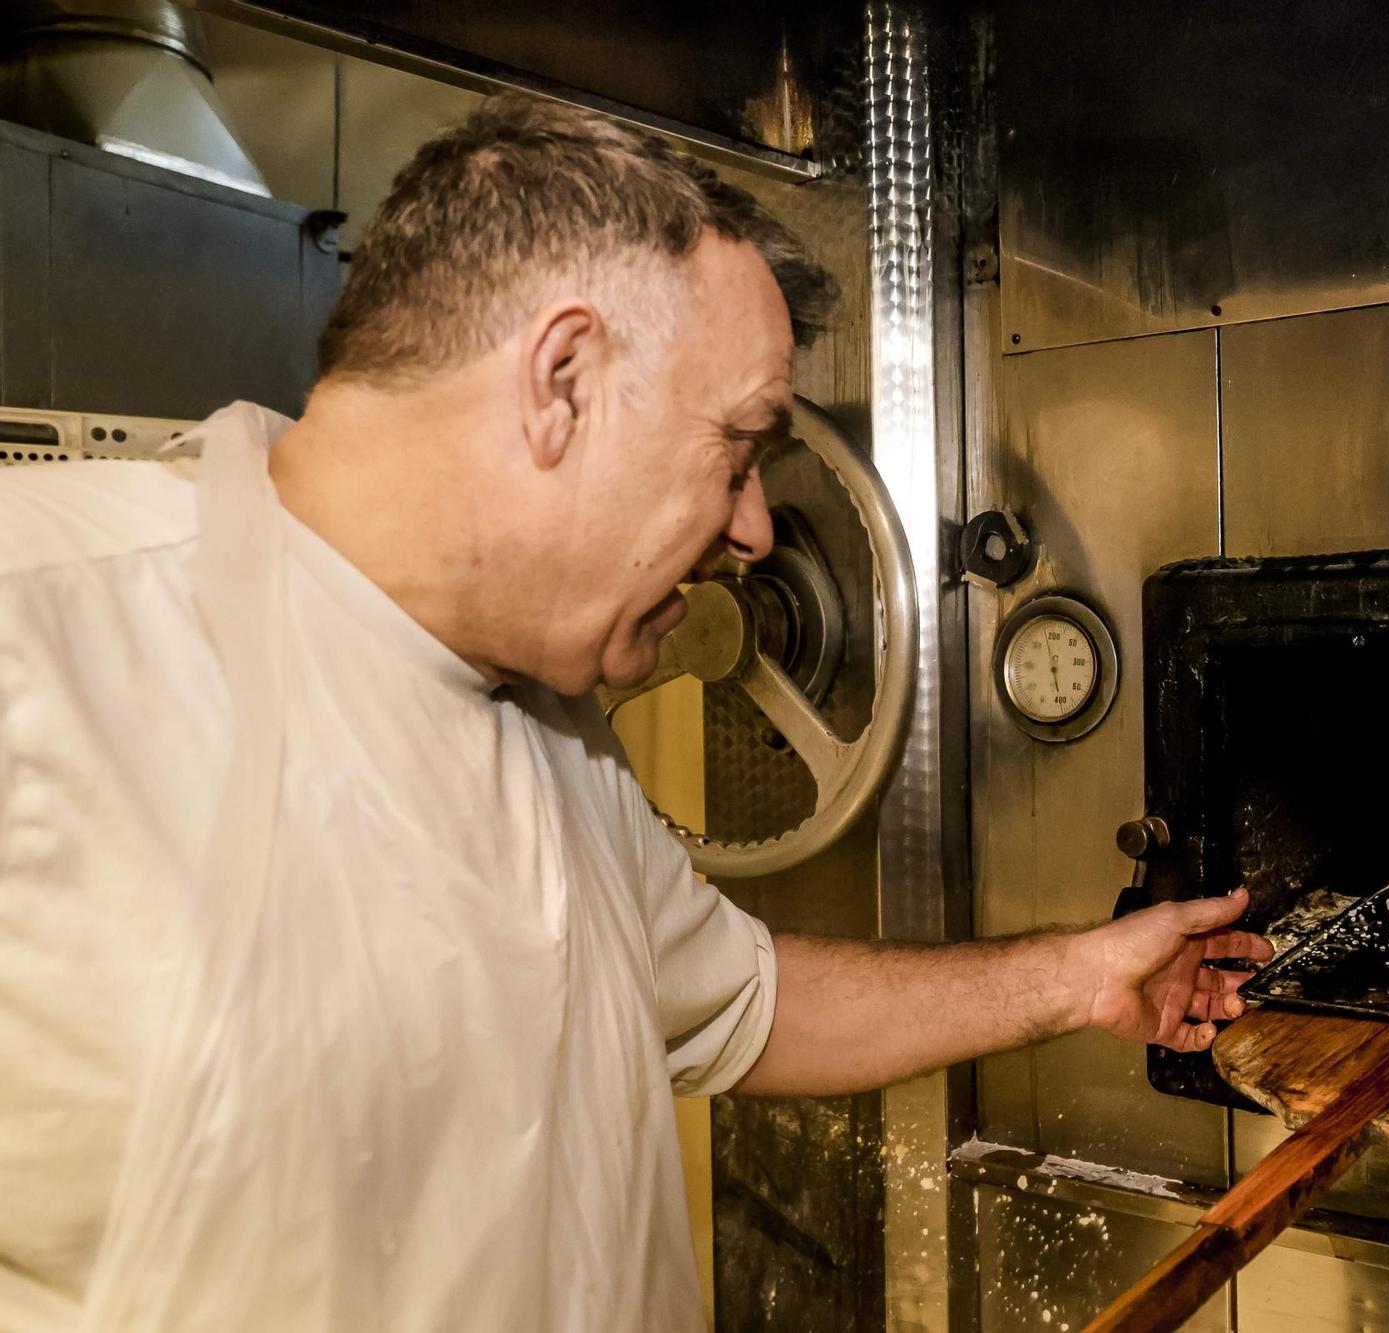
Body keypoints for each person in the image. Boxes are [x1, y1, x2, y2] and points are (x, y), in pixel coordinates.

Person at [0, 94, 1269, 1330]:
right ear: (559, 379)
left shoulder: (556, 734)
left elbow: (744, 1000)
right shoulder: (43, 642)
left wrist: (1073, 977)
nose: (756, 529)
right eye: (734, 450)